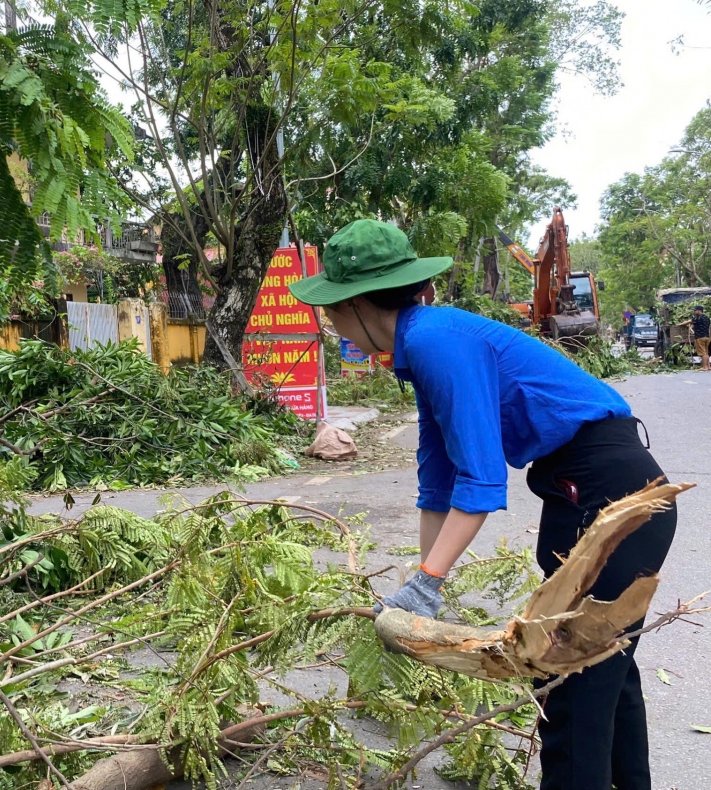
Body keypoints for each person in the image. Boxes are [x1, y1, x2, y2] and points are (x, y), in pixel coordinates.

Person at [289, 220, 676, 790]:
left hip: (610, 496)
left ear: (358, 303)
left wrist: (427, 579)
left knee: (569, 682)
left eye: (333, 310)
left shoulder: (434, 340)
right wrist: (424, 589)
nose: (331, 323)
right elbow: (438, 472)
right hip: (582, 489)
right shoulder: (423, 341)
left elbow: (480, 479)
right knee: (606, 673)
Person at [678, 304, 710, 372]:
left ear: (699, 311)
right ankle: (708, 366)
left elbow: (687, 322)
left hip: (700, 337)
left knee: (702, 353)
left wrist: (679, 324)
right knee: (706, 352)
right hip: (707, 337)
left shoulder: (697, 318)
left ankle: (705, 367)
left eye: (695, 310)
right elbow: (693, 324)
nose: (694, 312)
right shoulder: (707, 318)